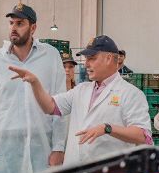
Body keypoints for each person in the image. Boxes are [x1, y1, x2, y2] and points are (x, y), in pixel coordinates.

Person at [10, 35, 151, 166]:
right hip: (76, 169)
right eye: (86, 59)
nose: (86, 64)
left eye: (91, 58)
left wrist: (107, 128)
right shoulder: (81, 90)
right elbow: (50, 107)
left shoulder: (131, 94)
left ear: (108, 58)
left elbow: (142, 135)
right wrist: (35, 83)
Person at [0, 3, 67, 173]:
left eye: (20, 24)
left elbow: (60, 103)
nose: (13, 28)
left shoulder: (50, 56)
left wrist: (58, 147)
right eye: (11, 23)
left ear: (33, 28)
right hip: (6, 144)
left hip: (41, 142)